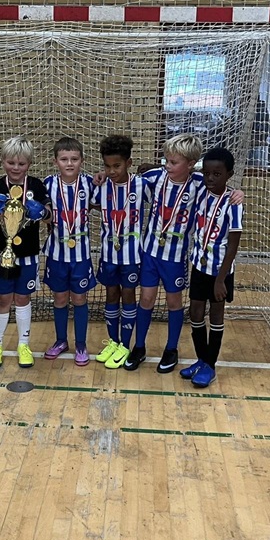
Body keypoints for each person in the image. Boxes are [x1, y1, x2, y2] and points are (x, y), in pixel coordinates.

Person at [126, 133, 204, 374]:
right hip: (150, 252)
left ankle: (171, 349)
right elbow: (126, 182)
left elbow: (221, 187)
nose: (167, 166)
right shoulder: (155, 177)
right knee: (146, 299)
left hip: (176, 256)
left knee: (173, 301)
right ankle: (139, 346)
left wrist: (237, 193)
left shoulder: (199, 183)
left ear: (191, 164)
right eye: (166, 160)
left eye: (173, 162)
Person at [180, 147, 243, 388]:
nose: (210, 178)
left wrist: (220, 280)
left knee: (216, 315)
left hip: (220, 271)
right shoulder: (200, 189)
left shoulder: (233, 203)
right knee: (195, 313)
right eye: (206, 173)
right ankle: (201, 360)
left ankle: (210, 366)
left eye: (217, 174)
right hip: (199, 265)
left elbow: (233, 245)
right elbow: (179, 170)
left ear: (229, 175)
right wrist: (151, 167)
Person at [0, 137, 49, 368]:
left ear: (29, 164)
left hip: (29, 253)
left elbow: (50, 217)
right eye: (11, 162)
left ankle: (24, 345)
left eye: (21, 164)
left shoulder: (36, 185)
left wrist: (42, 212)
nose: (15, 167)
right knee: (3, 299)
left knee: (23, 298)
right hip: (3, 254)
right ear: (3, 161)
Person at [93, 135, 153, 369]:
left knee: (128, 295)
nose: (111, 171)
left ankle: (125, 345)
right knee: (110, 294)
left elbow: (170, 180)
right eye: (107, 166)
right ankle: (114, 342)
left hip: (132, 254)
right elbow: (88, 200)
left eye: (117, 166)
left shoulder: (142, 185)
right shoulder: (100, 186)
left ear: (129, 163)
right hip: (108, 253)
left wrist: (153, 166)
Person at [42, 137, 97, 365]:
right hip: (57, 254)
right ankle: (61, 340)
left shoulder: (90, 183)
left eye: (74, 159)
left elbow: (100, 202)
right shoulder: (47, 183)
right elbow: (44, 212)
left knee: (80, 298)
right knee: (60, 298)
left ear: (82, 160)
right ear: (55, 161)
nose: (69, 163)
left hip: (81, 255)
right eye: (64, 159)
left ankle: (81, 344)